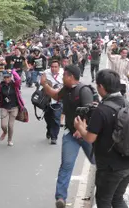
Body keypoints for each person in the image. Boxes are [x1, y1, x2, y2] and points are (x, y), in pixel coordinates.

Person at [74, 69, 129, 208]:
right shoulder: (128, 104)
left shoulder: (102, 110)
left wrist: (80, 128)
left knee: (104, 201)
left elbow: (90, 138)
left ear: (101, 87)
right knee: (117, 199)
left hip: (111, 167)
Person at [39, 64, 95, 208]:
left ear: (70, 76)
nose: (62, 77)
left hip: (86, 135)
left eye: (64, 75)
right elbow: (55, 95)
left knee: (97, 162)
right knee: (66, 165)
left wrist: (82, 128)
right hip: (71, 134)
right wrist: (44, 84)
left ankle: (104, 189)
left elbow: (91, 112)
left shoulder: (84, 90)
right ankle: (61, 197)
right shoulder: (67, 89)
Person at [0, 69, 24, 146]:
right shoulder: (1, 85)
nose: (7, 79)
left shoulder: (15, 84)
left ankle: (9, 140)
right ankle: (5, 132)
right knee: (3, 125)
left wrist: (13, 72)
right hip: (4, 107)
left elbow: (19, 79)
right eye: (5, 77)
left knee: (10, 126)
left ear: (11, 77)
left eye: (8, 77)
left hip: (14, 108)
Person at [44, 60, 64, 145]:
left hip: (58, 100)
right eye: (52, 67)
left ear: (59, 67)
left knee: (56, 118)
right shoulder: (46, 73)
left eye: (56, 67)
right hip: (48, 99)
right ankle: (49, 130)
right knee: (47, 117)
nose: (54, 68)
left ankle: (54, 137)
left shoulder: (63, 73)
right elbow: (41, 83)